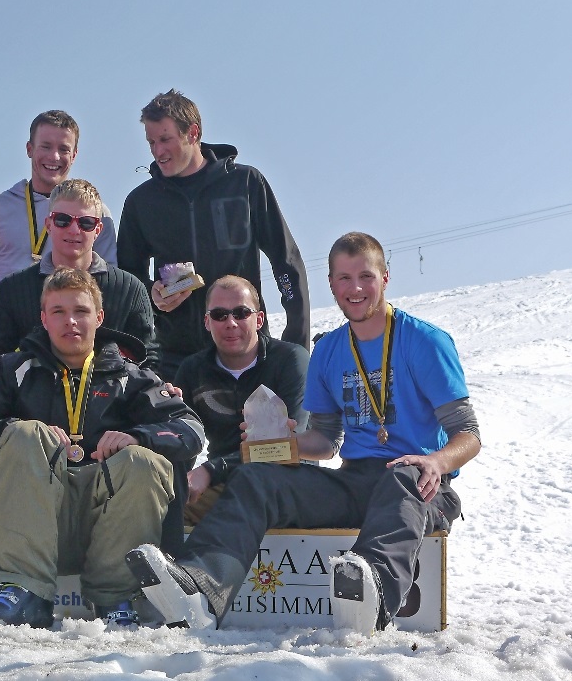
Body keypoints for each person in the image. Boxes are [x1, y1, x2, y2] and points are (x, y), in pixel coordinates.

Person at [127, 232, 481, 635]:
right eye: (343, 279)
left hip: (420, 486)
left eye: (365, 275)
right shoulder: (329, 350)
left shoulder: (424, 341)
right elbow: (326, 441)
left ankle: (373, 595)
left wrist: (435, 461)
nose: (355, 288)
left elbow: (468, 433)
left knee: (402, 475)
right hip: (356, 482)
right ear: (331, 284)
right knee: (256, 477)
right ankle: (200, 590)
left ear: (385, 277)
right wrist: (277, 446)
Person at [0, 268, 204, 628]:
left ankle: (117, 597)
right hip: (38, 524)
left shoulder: (132, 377)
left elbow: (190, 430)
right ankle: (24, 590)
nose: (71, 321)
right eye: (58, 312)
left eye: (81, 311)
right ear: (43, 319)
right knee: (23, 434)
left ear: (99, 317)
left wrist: (138, 437)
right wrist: (22, 431)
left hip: (106, 527)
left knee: (144, 461)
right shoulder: (13, 369)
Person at [117, 89, 309, 380]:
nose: (157, 151)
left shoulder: (245, 183)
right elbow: (127, 278)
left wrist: (296, 345)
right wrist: (151, 293)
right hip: (175, 362)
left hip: (248, 356)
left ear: (192, 133)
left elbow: (287, 262)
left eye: (165, 139)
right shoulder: (140, 202)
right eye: (151, 142)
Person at [0, 179, 156, 380]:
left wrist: (163, 391)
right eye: (63, 220)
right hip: (30, 407)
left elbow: (149, 360)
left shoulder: (129, 289)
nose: (74, 230)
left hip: (112, 406)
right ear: (48, 224)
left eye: (86, 223)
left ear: (98, 230)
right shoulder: (12, 289)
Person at [174, 275, 309, 527]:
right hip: (223, 484)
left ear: (259, 319)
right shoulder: (192, 370)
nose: (231, 323)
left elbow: (288, 444)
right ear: (207, 322)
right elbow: (183, 443)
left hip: (286, 480)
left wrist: (212, 470)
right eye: (219, 315)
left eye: (241, 312)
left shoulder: (291, 360)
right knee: (165, 511)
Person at [0, 110, 119, 308]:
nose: (54, 156)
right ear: (29, 149)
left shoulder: (95, 214)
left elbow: (109, 277)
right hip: (12, 333)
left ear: (74, 155)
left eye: (64, 149)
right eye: (46, 146)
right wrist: (3, 309)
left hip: (72, 328)